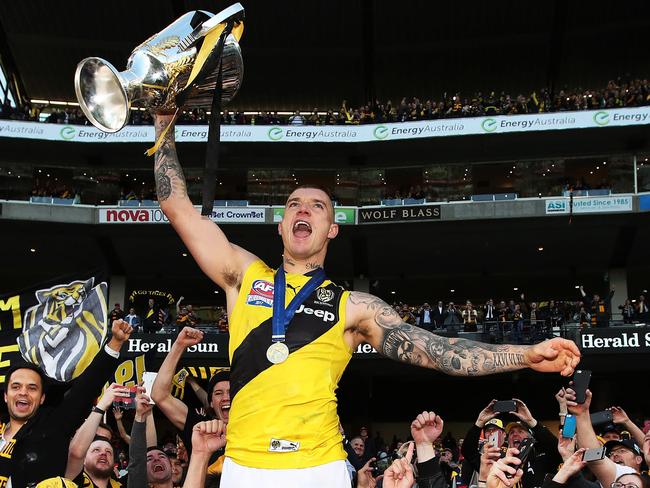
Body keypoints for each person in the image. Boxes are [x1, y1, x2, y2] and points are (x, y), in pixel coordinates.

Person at [150, 114, 581, 487]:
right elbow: (178, 208)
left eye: (317, 206)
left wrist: (524, 355)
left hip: (318, 466)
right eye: (294, 205)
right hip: (244, 463)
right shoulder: (242, 275)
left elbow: (438, 351)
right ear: (281, 226)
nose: (304, 210)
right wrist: (164, 123)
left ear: (331, 230)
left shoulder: (355, 307)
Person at [0, 319, 132, 487]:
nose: (23, 392)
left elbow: (85, 389)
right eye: (16, 386)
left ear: (42, 398)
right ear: (6, 395)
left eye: (32, 388)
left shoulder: (53, 427)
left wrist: (115, 342)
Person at [151, 329, 230, 473]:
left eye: (231, 392)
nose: (225, 397)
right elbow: (159, 395)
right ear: (211, 402)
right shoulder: (200, 428)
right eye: (218, 393)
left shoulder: (253, 426)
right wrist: (178, 346)